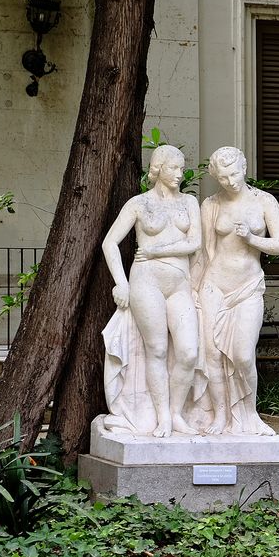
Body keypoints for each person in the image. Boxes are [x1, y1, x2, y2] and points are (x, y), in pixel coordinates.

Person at [101, 144, 202, 437]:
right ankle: (163, 417)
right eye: (174, 168)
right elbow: (109, 243)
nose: (180, 174)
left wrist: (157, 250)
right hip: (146, 282)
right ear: (158, 167)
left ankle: (176, 412)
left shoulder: (189, 203)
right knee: (156, 349)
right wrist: (121, 282)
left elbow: (194, 243)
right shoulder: (138, 204)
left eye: (182, 169)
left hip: (180, 283)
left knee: (188, 352)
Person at [192, 146, 279, 435]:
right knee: (211, 354)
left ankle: (248, 415)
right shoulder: (211, 204)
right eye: (223, 178)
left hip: (247, 287)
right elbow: (202, 253)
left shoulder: (264, 201)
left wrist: (251, 238)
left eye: (234, 174)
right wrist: (191, 290)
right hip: (213, 285)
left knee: (243, 355)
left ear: (244, 167)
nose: (230, 181)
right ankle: (221, 416)